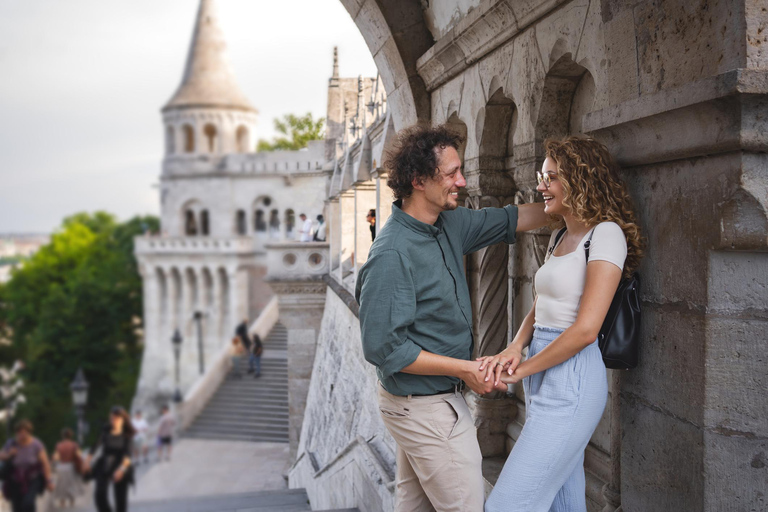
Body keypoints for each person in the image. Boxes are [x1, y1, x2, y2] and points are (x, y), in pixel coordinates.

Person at [355, 124, 548, 512]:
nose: (461, 181)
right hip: (424, 409)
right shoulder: (392, 254)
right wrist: (465, 369)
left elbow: (515, 218)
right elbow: (384, 348)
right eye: (450, 174)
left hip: (427, 404)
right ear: (419, 180)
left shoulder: (449, 224)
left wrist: (578, 204)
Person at [481, 137, 644, 512]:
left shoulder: (605, 235)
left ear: (580, 181)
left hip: (572, 377)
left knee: (506, 505)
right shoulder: (559, 236)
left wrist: (518, 372)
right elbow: (542, 306)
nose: (541, 185)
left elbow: (586, 329)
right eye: (542, 175)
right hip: (543, 369)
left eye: (551, 177)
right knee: (564, 504)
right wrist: (515, 345)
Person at [86, 407, 134, 512]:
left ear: (123, 419)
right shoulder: (105, 430)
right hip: (105, 463)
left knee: (121, 501)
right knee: (99, 495)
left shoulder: (127, 435)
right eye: (111, 418)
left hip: (121, 464)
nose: (113, 421)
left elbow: (128, 455)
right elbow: (95, 446)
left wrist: (121, 469)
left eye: (116, 418)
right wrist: (87, 461)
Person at [0, 419, 54, 512]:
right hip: (15, 480)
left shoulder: (36, 444)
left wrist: (48, 480)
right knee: (17, 508)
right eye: (19, 432)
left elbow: (45, 464)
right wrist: (9, 454)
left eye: (24, 432)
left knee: (28, 503)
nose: (22, 435)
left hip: (32, 479)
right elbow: (1, 455)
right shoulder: (11, 443)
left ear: (29, 432)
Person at [52, 428, 83, 508]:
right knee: (71, 484)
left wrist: (53, 463)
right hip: (71, 466)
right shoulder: (74, 444)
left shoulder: (59, 445)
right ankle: (72, 502)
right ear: (71, 436)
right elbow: (78, 455)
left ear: (62, 436)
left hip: (61, 466)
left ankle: (62, 503)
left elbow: (56, 457)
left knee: (62, 485)